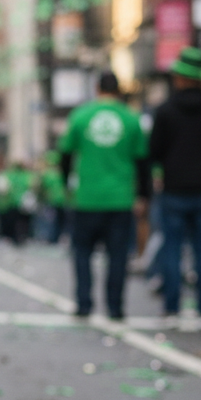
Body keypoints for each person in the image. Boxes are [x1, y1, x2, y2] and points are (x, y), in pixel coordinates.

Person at [149, 47, 201, 323]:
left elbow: (155, 151)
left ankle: (172, 306)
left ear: (182, 78)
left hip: (174, 188)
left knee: (172, 249)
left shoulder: (165, 111)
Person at [58, 71, 150, 320]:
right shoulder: (131, 120)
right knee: (118, 256)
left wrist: (66, 184)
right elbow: (143, 163)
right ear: (118, 91)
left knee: (82, 254)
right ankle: (115, 307)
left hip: (87, 198)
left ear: (97, 88)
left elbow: (65, 155)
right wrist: (142, 196)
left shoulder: (81, 116)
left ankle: (84, 304)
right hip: (120, 199)